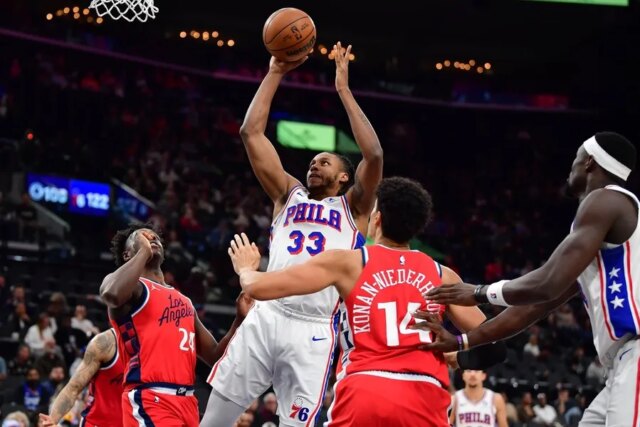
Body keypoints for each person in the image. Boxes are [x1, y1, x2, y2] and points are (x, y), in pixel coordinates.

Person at [224, 177, 506, 426]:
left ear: (377, 218)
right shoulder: (442, 275)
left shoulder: (348, 262)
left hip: (365, 387)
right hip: (425, 393)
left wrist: (246, 269)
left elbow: (259, 288)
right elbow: (494, 348)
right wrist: (457, 355)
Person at [203, 42, 384, 427]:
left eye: (324, 162)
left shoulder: (354, 208)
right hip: (267, 313)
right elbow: (251, 132)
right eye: (312, 161)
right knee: (215, 420)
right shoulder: (288, 194)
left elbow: (374, 156)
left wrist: (343, 90)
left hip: (314, 328)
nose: (314, 165)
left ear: (344, 177)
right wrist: (275, 71)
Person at [419, 132, 639, 426]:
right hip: (620, 364)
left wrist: (480, 292)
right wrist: (463, 341)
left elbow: (548, 281)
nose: (570, 167)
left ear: (588, 162)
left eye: (575, 158)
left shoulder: (606, 199)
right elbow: (533, 306)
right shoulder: (599, 233)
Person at [99, 223, 252, 427]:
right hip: (150, 397)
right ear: (127, 254)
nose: (151, 238)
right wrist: (144, 252)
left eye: (154, 237)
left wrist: (239, 319)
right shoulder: (132, 289)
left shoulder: (184, 300)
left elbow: (215, 356)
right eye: (143, 237)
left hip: (187, 401)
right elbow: (111, 294)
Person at [38, 329, 124, 427]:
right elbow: (73, 387)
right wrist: (52, 420)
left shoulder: (139, 346)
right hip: (99, 423)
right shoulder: (105, 343)